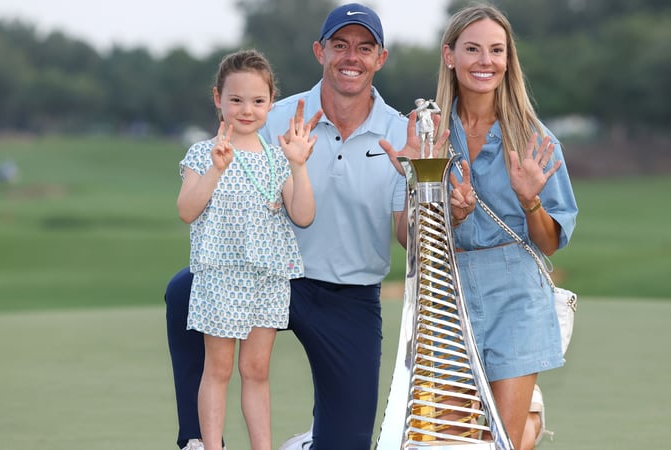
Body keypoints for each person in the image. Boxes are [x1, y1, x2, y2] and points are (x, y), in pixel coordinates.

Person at [165, 3, 417, 449]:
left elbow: (405, 237)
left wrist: (418, 184)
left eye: (364, 48)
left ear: (381, 58)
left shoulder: (401, 134)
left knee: (346, 444)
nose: (351, 57)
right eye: (340, 45)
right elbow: (211, 187)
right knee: (185, 289)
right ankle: (199, 440)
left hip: (350, 296)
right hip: (276, 277)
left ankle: (306, 443)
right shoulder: (270, 115)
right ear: (320, 51)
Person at [382, 4, 578, 449]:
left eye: (496, 50)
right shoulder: (425, 136)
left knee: (500, 440)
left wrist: (530, 201)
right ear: (449, 55)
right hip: (447, 294)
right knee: (453, 440)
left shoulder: (535, 138)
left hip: (516, 294)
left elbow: (550, 242)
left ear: (508, 59)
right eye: (472, 49)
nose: (485, 61)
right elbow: (407, 239)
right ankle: (530, 425)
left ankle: (523, 426)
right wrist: (445, 211)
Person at [176, 49, 316, 450]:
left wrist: (299, 165)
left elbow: (303, 215)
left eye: (257, 100)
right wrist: (216, 169)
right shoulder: (203, 154)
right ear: (218, 98)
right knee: (218, 370)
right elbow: (187, 210)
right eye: (236, 99)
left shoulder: (277, 158)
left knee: (256, 371)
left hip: (267, 279)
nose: (247, 109)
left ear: (271, 103)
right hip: (220, 276)